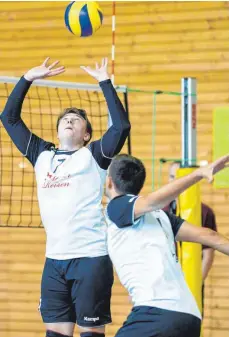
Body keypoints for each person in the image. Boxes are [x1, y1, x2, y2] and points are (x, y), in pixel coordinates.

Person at [0, 57, 130, 337]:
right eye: (65, 120)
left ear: (86, 135)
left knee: (91, 334)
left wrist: (104, 82)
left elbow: (121, 127)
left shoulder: (94, 155)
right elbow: (8, 118)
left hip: (90, 258)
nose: (69, 121)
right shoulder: (42, 155)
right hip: (54, 261)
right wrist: (27, 77)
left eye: (77, 120)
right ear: (58, 130)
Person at [105, 153, 229, 337]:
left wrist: (199, 174)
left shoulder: (116, 207)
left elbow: (151, 201)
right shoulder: (162, 217)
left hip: (157, 313)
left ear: (108, 183)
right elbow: (210, 236)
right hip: (189, 317)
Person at [164, 161, 217, 312]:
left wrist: (196, 282)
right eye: (171, 176)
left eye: (177, 177)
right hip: (166, 285)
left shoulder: (205, 212)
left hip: (191, 281)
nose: (173, 181)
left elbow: (208, 253)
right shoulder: (161, 211)